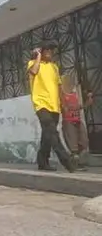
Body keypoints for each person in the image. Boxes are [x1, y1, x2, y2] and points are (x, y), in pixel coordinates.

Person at [27, 41, 77, 172]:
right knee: (53, 133)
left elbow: (59, 86)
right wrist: (37, 56)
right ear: (41, 52)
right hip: (41, 104)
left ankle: (42, 162)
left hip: (54, 106)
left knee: (47, 135)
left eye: (51, 51)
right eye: (47, 50)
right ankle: (67, 161)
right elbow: (33, 72)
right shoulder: (33, 63)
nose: (50, 53)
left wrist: (63, 104)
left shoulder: (54, 67)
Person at [61, 71, 92, 166]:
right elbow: (64, 108)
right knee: (72, 145)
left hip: (77, 120)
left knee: (84, 141)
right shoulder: (62, 95)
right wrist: (80, 106)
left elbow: (79, 106)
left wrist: (87, 102)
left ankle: (76, 160)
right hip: (68, 121)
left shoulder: (75, 94)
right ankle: (75, 163)